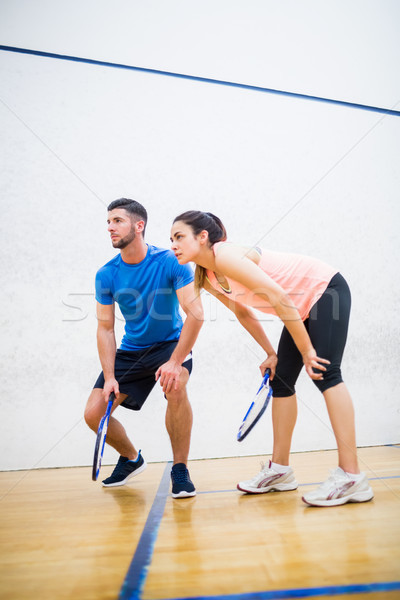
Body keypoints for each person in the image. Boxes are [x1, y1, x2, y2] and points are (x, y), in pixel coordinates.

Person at [170, 210, 374, 507]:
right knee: (281, 382)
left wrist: (307, 351)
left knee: (326, 374)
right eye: (171, 239)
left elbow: (279, 297)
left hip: (325, 290)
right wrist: (270, 353)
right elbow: (243, 312)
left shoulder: (224, 255)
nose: (173, 244)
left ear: (202, 238)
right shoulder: (207, 277)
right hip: (301, 307)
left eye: (179, 237)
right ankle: (280, 471)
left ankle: (352, 477)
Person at [84, 199, 203, 499]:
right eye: (108, 221)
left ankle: (180, 469)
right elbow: (106, 328)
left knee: (176, 388)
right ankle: (130, 458)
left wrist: (176, 361)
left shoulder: (170, 262)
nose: (110, 227)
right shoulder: (106, 274)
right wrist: (110, 376)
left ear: (139, 226)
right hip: (132, 350)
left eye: (117, 221)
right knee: (94, 413)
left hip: (169, 345)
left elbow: (196, 314)